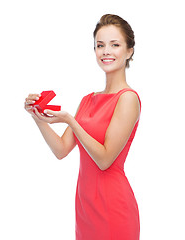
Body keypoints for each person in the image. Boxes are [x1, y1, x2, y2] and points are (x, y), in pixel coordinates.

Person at [24, 14, 141, 240]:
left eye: (115, 45)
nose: (106, 51)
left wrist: (70, 121)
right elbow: (61, 150)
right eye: (100, 45)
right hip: (85, 208)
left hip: (113, 208)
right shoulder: (88, 99)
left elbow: (105, 159)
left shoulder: (128, 99)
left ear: (129, 51)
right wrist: (36, 117)